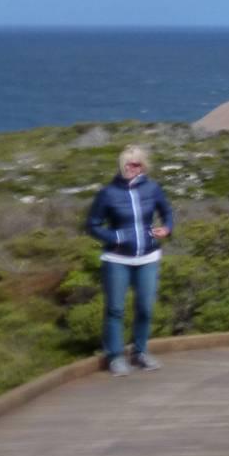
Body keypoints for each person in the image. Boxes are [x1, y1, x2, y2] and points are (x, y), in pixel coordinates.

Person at [86, 145, 174, 376]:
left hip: (148, 257)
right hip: (117, 259)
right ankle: (115, 356)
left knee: (145, 308)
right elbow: (92, 225)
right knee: (115, 309)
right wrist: (114, 236)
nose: (131, 168)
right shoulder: (108, 193)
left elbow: (167, 212)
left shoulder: (153, 189)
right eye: (127, 163)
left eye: (136, 164)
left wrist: (167, 228)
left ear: (143, 166)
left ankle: (140, 351)